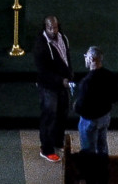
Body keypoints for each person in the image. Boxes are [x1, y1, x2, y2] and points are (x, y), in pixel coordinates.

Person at [71, 46, 118, 184]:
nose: (85, 58)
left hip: (90, 121)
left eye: (86, 56)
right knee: (102, 145)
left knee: (89, 150)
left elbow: (81, 107)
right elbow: (116, 98)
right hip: (105, 117)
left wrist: (75, 106)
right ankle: (104, 173)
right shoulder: (110, 76)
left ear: (92, 59)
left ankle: (90, 177)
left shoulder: (87, 82)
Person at [32, 15, 72, 162]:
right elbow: (43, 71)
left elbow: (66, 58)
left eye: (55, 27)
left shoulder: (63, 38)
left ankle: (57, 141)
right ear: (45, 27)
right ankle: (46, 149)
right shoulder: (40, 45)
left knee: (62, 113)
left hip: (63, 84)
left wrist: (70, 74)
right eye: (50, 28)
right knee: (49, 115)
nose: (53, 31)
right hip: (48, 86)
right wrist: (61, 80)